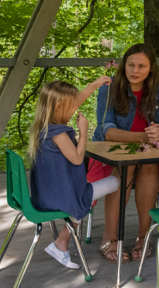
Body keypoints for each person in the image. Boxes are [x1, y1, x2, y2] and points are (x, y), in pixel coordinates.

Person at [90, 43, 159, 263]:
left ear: (151, 68)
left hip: (146, 151)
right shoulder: (109, 87)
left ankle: (143, 237)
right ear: (123, 65)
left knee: (148, 164)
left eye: (142, 66)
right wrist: (143, 137)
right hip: (112, 153)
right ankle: (109, 239)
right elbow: (106, 130)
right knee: (127, 165)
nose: (135, 71)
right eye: (131, 65)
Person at [29, 79, 119, 269]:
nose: (74, 110)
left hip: (47, 194)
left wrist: (93, 86)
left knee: (84, 195)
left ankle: (62, 242)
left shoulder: (43, 128)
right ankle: (62, 242)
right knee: (115, 181)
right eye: (70, 107)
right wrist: (84, 131)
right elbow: (78, 159)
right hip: (60, 197)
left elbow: (74, 102)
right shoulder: (59, 134)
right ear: (59, 107)